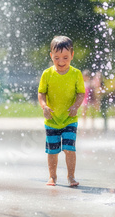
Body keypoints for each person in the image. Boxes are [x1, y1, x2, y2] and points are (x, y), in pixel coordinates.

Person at [38, 36, 85, 187]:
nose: (61, 61)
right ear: (51, 55)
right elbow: (41, 93)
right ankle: (52, 177)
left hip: (70, 119)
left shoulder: (76, 74)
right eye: (57, 57)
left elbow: (81, 93)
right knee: (52, 151)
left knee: (69, 149)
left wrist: (76, 106)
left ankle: (71, 176)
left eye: (65, 57)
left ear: (72, 55)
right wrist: (44, 106)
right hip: (52, 120)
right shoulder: (47, 74)